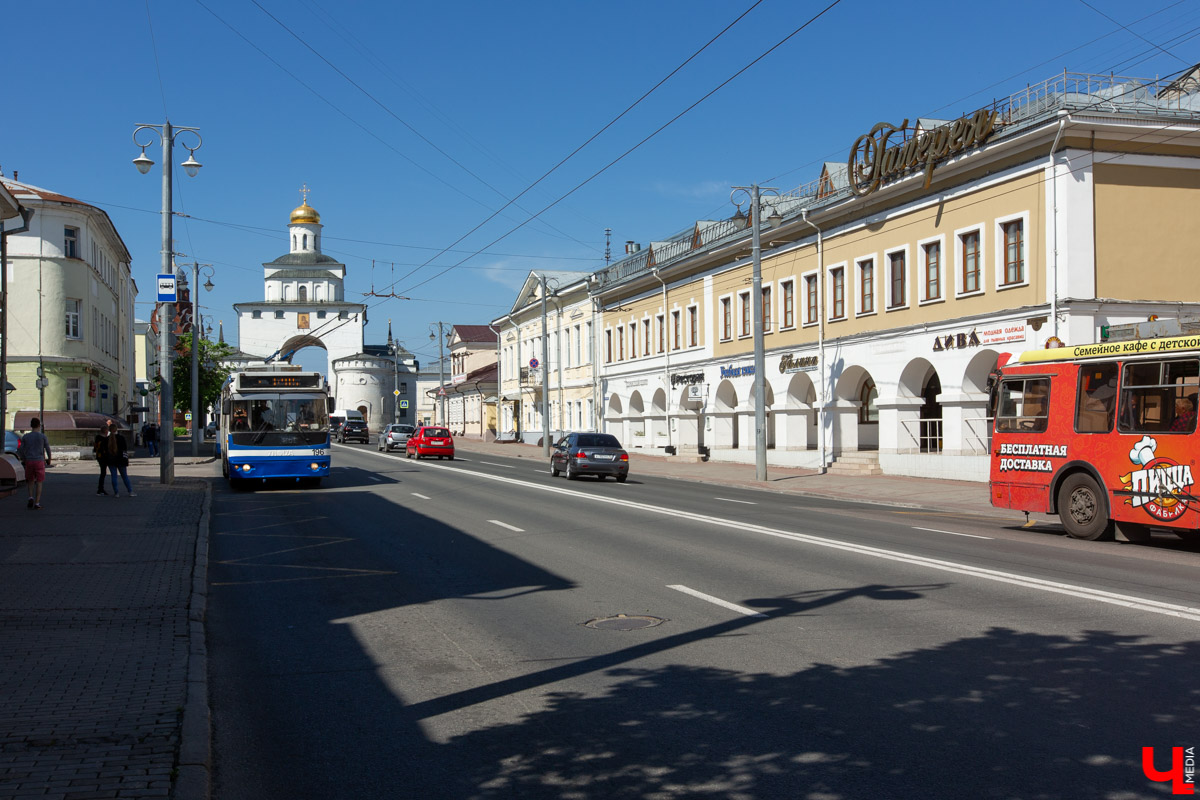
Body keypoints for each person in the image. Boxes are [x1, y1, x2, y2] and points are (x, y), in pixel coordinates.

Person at [18, 417, 52, 510]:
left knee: (30, 480)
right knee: (39, 482)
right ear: (39, 425)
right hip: (39, 461)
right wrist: (49, 458)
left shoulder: (26, 437)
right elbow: (47, 448)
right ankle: (37, 503)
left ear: (31, 425)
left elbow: (20, 449)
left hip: (29, 460)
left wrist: (23, 458)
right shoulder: (42, 436)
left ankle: (30, 497)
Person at [105, 421, 136, 497]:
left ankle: (116, 493)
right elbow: (125, 449)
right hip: (121, 460)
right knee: (124, 476)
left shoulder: (107, 439)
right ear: (116, 429)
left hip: (111, 460)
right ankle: (130, 491)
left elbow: (105, 450)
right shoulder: (121, 438)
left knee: (114, 476)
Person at [93, 425, 112, 495]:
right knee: (103, 473)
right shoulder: (105, 439)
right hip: (104, 457)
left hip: (99, 456)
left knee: (103, 472)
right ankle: (100, 489)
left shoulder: (97, 438)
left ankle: (100, 488)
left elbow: (95, 448)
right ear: (106, 431)